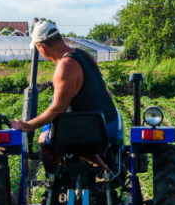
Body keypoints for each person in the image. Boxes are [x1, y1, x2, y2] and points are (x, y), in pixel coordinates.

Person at [10, 21, 121, 166]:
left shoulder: (65, 66)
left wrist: (27, 125)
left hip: (87, 130)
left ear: (41, 47)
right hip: (108, 124)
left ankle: (55, 180)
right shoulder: (85, 56)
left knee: (43, 139)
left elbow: (58, 109)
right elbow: (106, 92)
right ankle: (101, 163)